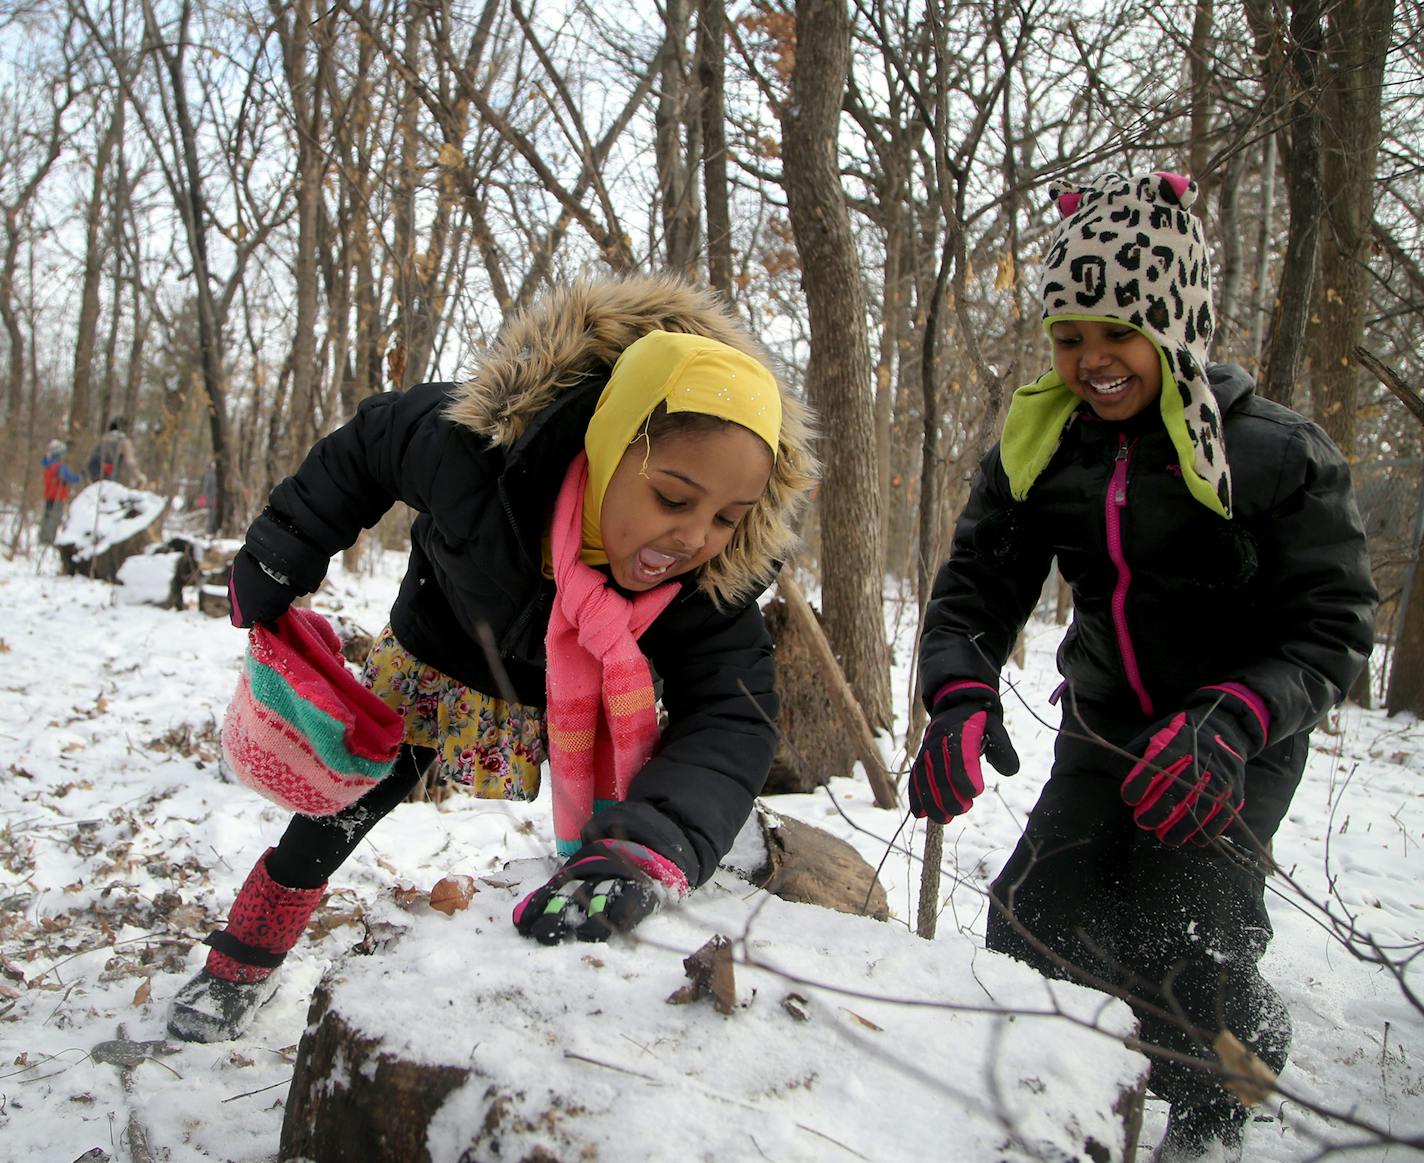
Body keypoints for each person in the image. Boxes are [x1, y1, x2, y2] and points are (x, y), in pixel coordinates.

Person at [167, 273, 817, 1043]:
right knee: (335, 818)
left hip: (578, 709)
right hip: (438, 658)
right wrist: (283, 549)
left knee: (626, 836)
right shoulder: (476, 452)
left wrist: (649, 847)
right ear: (609, 445)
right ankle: (239, 960)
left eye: (726, 518)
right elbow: (370, 446)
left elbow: (730, 714)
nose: (694, 537)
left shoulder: (707, 582)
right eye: (674, 499)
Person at [910, 171, 1376, 1162]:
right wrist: (955, 695)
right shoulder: (1041, 445)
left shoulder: (1276, 454)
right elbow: (974, 593)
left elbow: (1330, 629)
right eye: (1068, 336)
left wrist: (1233, 715)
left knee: (1183, 934)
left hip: (1235, 734)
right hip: (1104, 720)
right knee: (1034, 914)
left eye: (1115, 333)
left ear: (1170, 325)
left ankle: (1215, 1101)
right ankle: (1074, 1098)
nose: (1090, 361)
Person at [39, 439, 81, 545]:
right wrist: (79, 477)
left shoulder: (46, 464)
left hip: (48, 495)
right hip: (57, 497)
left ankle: (43, 538)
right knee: (53, 518)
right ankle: (48, 540)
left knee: (47, 517)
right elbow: (70, 478)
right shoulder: (58, 467)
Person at [86, 417, 143, 487]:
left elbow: (90, 458)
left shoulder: (103, 439)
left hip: (96, 477)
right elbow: (130, 461)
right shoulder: (124, 441)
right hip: (113, 478)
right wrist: (139, 477)